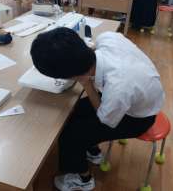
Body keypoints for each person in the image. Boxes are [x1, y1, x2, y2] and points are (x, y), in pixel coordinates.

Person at [31, 28, 164, 191]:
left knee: (70, 136)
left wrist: (86, 83)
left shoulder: (118, 87)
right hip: (136, 97)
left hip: (138, 118)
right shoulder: (108, 37)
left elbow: (105, 119)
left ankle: (83, 179)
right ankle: (93, 151)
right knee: (74, 112)